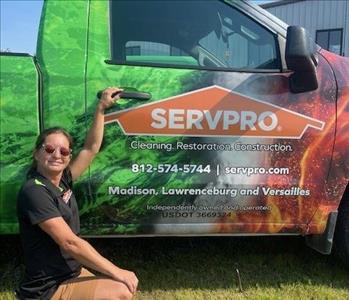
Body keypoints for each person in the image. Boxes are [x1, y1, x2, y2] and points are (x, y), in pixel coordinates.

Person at [16, 88, 138, 300]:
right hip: (49, 287)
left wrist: (101, 108)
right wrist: (117, 270)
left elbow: (91, 148)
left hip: (71, 272)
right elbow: (69, 243)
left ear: (68, 156)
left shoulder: (63, 180)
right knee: (121, 290)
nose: (57, 155)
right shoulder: (34, 191)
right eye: (49, 149)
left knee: (117, 282)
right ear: (36, 153)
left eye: (63, 151)